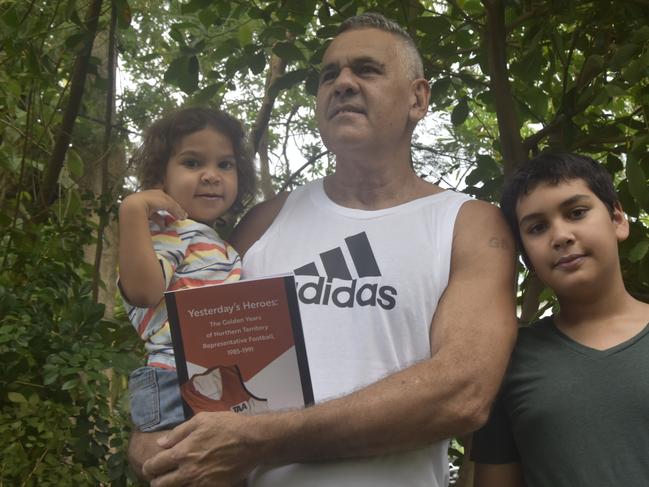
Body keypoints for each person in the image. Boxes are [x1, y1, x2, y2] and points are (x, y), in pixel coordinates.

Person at [132, 13, 517, 487]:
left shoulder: (469, 223)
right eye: (329, 75)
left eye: (367, 70)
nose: (343, 83)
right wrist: (156, 439)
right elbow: (191, 353)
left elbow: (462, 392)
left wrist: (263, 439)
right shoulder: (263, 222)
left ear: (418, 98)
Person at [471, 152, 649, 486]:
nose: (561, 236)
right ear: (526, 257)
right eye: (537, 227)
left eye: (577, 212)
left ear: (617, 220)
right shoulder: (508, 360)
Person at [118, 107, 256, 455]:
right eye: (193, 163)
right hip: (173, 379)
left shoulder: (213, 241)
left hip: (208, 377)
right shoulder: (167, 229)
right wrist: (133, 210)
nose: (211, 175)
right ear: (161, 177)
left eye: (225, 164)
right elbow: (143, 292)